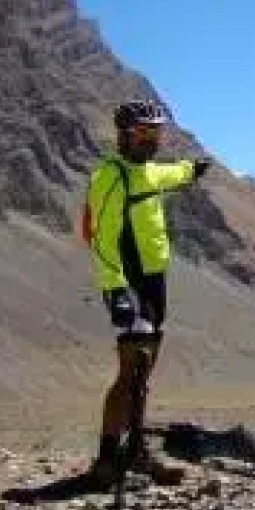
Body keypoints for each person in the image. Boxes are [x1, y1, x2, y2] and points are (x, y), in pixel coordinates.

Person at [80, 98, 211, 487]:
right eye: (144, 133)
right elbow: (102, 240)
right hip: (129, 282)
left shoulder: (148, 172)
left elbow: (169, 175)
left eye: (156, 132)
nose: (152, 140)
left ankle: (135, 450)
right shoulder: (110, 176)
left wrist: (193, 170)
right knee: (130, 369)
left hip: (155, 281)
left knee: (146, 369)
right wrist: (115, 290)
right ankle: (108, 459)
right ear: (124, 134)